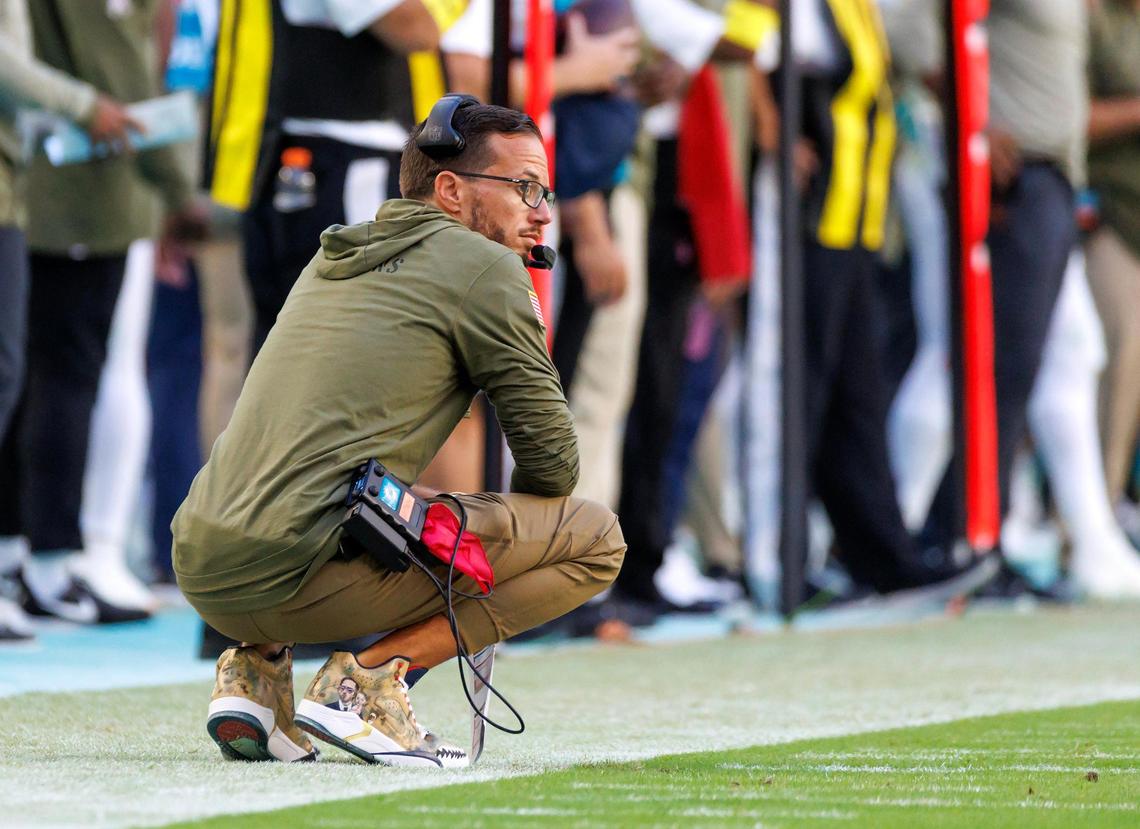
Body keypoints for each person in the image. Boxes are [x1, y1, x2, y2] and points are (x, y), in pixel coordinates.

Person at [175, 99, 626, 768]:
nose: (542, 213)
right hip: (298, 567)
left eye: (545, 192)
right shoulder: (487, 269)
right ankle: (373, 681)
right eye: (525, 187)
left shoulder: (335, 254)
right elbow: (553, 468)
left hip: (203, 563)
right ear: (449, 190)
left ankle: (257, 674)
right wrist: (512, 546)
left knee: (360, 492)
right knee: (593, 539)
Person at [0, 0, 141, 640]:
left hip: (26, 189)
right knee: (44, 379)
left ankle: (29, 561)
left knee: (25, 377)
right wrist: (86, 106)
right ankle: (52, 558)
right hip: (58, 200)